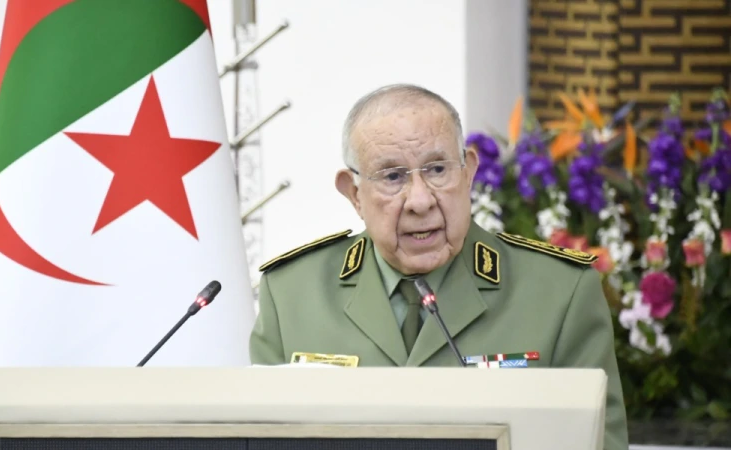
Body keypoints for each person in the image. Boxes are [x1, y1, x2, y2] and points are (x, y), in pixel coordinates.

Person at [249, 84, 629, 449]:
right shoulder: (291, 295)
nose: (420, 201)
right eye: (392, 176)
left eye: (436, 170)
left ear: (468, 173)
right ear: (354, 194)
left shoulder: (560, 293)